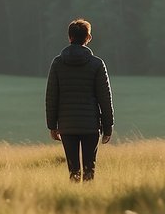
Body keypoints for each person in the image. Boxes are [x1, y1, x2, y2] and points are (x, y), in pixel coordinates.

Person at [45, 18, 114, 182]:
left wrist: (52, 126)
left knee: (73, 171)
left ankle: (73, 201)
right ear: (88, 38)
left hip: (67, 126)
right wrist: (108, 127)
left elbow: (51, 96)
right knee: (89, 169)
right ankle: (88, 201)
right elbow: (105, 97)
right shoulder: (97, 64)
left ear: (69, 37)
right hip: (90, 125)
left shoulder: (57, 63)